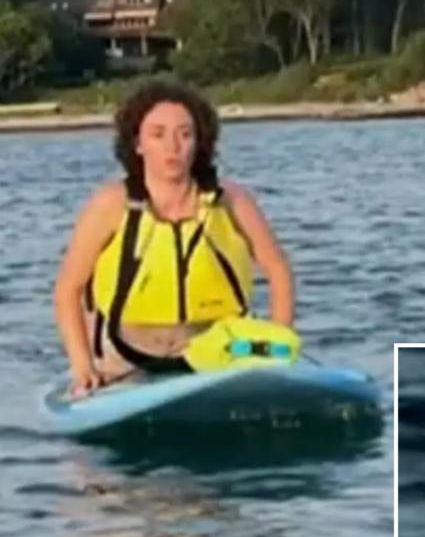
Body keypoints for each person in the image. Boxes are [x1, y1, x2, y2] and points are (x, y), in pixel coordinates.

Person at [53, 81, 294, 397]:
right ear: (137, 143)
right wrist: (83, 366)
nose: (173, 147)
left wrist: (278, 343)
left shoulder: (232, 201)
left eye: (185, 134)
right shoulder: (110, 204)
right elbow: (67, 289)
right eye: (158, 134)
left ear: (199, 143)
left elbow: (278, 270)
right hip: (127, 354)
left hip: (219, 347)